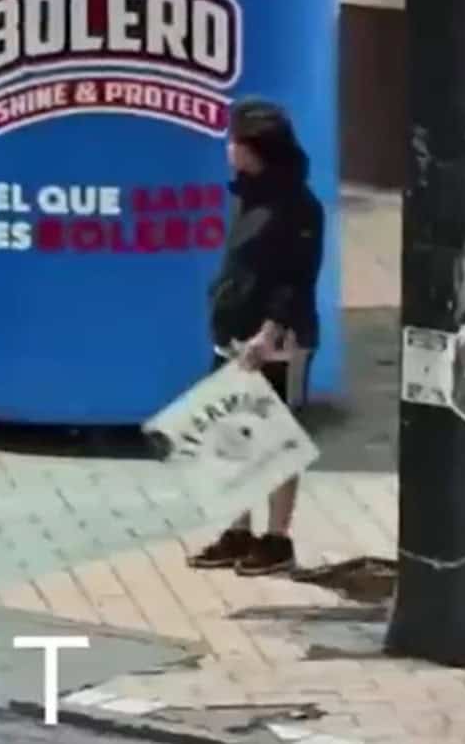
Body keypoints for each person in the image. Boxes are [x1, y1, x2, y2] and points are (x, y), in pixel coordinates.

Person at [188, 97, 324, 577]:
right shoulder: (247, 195)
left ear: (256, 150)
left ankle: (277, 538)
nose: (228, 148)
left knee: (277, 438)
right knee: (228, 435)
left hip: (274, 342)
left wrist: (267, 333)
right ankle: (238, 530)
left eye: (236, 142)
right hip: (231, 336)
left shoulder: (299, 207)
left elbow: (296, 279)